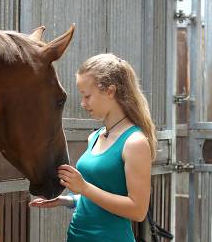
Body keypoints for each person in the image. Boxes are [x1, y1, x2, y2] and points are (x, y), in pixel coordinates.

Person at [29, 53, 156, 242]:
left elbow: (137, 210)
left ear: (110, 91)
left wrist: (84, 188)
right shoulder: (95, 136)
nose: (83, 103)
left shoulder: (134, 143)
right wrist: (68, 200)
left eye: (87, 96)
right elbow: (102, 196)